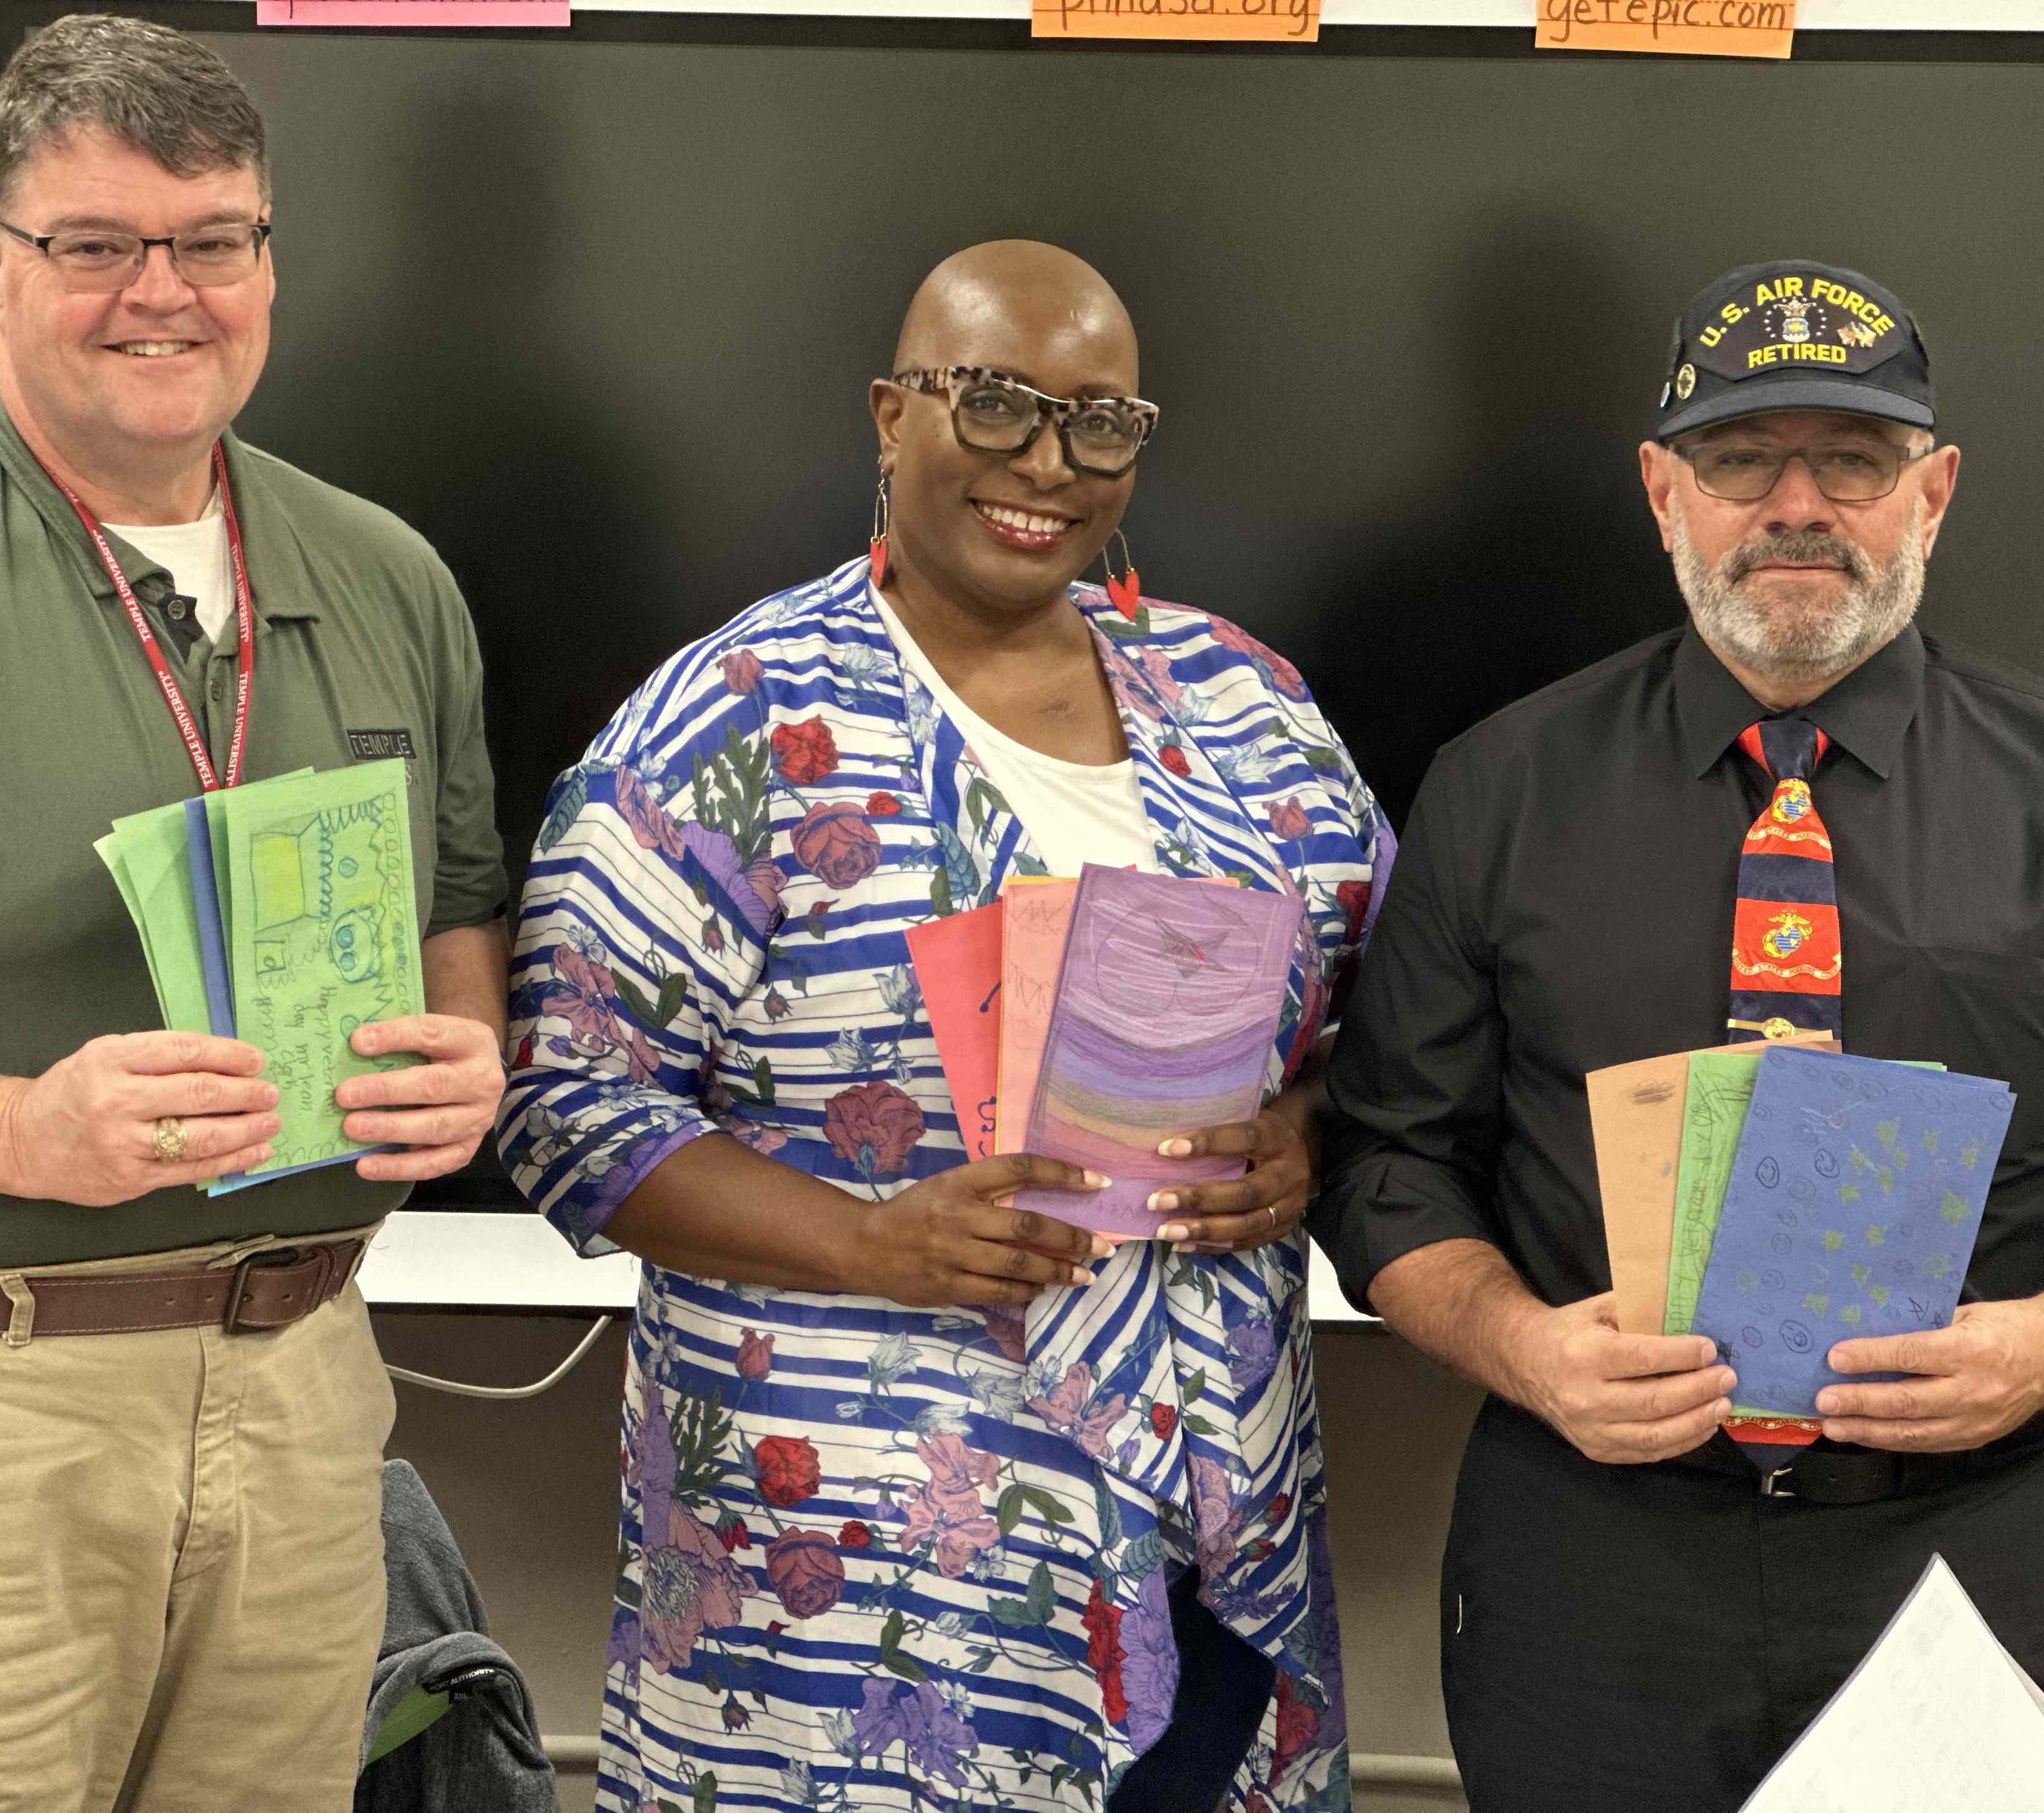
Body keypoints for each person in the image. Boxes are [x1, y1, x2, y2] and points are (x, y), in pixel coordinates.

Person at [1313, 258, 2044, 1807]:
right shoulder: (1498, 790)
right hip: (1596, 1561)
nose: (1796, 505)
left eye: (1854, 459)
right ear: (1662, 492)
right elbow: (1385, 1164)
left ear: (1936, 490)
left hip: (1990, 1548)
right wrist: (1528, 1351)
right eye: (1741, 459)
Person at [501, 240, 1390, 1813]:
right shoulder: (739, 719)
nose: (1046, 463)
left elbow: (1391, 1012)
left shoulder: (1239, 700)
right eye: (994, 406)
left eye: (1100, 423)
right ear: (890, 414)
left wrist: (1305, 1139)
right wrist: (871, 1245)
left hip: (1205, 1520)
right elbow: (568, 1105)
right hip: (856, 1582)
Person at [0, 16, 511, 1809]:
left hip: (310, 1390)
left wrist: (469, 1049)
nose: (160, 293)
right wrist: (21, 1129)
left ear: (265, 256)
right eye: (94, 246)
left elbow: (463, 901)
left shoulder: (387, 573)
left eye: (212, 240)